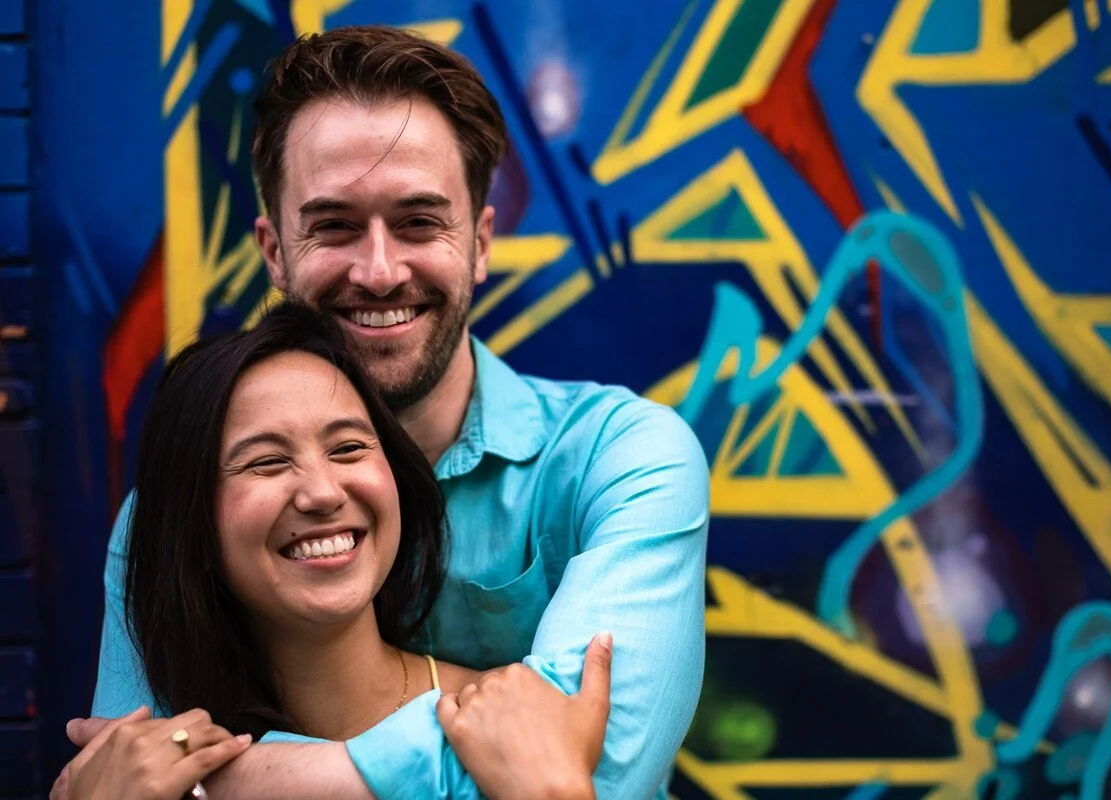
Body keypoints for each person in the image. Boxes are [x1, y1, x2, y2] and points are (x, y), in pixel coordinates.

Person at [76, 24, 709, 799]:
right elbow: (124, 773)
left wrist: (214, 784)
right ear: (275, 252)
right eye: (336, 226)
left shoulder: (623, 459)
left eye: (418, 223)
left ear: (478, 242)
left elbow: (597, 771)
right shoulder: (176, 513)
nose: (379, 272)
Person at [56, 303, 611, 800]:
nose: (323, 492)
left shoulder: (509, 726)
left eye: (348, 448)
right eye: (266, 462)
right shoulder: (147, 770)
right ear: (194, 529)